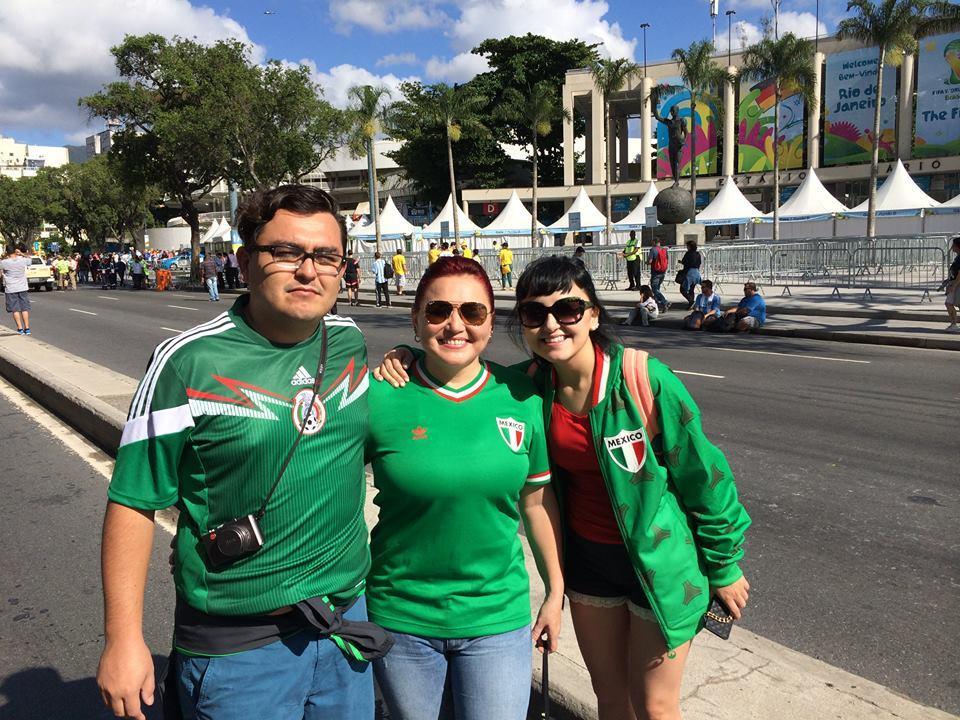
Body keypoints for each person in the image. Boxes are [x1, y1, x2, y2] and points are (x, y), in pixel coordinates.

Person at [379, 256, 750, 720]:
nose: (552, 325)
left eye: (569, 310)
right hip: (589, 564)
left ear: (594, 314)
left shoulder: (642, 379)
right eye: (536, 314)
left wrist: (723, 563)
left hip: (659, 564)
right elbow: (459, 360)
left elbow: (704, 474)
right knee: (611, 700)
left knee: (655, 707)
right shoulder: (532, 387)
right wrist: (406, 353)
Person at [96, 184, 388, 720]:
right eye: (286, 252)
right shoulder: (187, 361)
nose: (309, 270)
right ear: (245, 261)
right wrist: (123, 639)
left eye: (326, 256)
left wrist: (412, 358)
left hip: (345, 631)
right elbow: (134, 501)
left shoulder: (348, 342)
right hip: (239, 652)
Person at [368, 257, 563, 720]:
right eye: (438, 311)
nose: (455, 324)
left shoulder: (522, 396)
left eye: (473, 313)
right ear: (416, 321)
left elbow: (536, 504)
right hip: (402, 616)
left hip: (497, 618)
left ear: (490, 324)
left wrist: (556, 592)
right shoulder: (377, 397)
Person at [1, 243, 33, 335]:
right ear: (16, 251)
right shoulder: (22, 260)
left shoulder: (4, 262)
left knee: (15, 309)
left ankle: (20, 328)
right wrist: (22, 254)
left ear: (7, 252)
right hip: (22, 287)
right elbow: (30, 260)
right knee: (24, 308)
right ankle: (27, 328)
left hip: (11, 288)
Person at [646, 237, 670, 312]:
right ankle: (660, 306)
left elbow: (650, 261)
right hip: (662, 272)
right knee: (657, 290)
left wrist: (646, 262)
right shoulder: (664, 250)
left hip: (655, 272)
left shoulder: (653, 250)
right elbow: (667, 260)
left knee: (655, 289)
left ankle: (665, 302)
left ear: (654, 242)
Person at [677, 239, 701, 309]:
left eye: (687, 246)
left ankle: (691, 301)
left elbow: (685, 262)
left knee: (682, 289)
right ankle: (692, 305)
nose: (687, 247)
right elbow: (699, 263)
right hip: (696, 272)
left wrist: (681, 262)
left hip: (689, 273)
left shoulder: (688, 253)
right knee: (692, 289)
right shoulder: (698, 254)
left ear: (690, 246)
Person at [945, 235, 960, 332]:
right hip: (954, 283)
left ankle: (954, 325)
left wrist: (953, 286)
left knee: (950, 303)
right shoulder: (958, 257)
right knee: (949, 303)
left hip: (957, 284)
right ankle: (953, 324)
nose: (952, 247)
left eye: (953, 245)